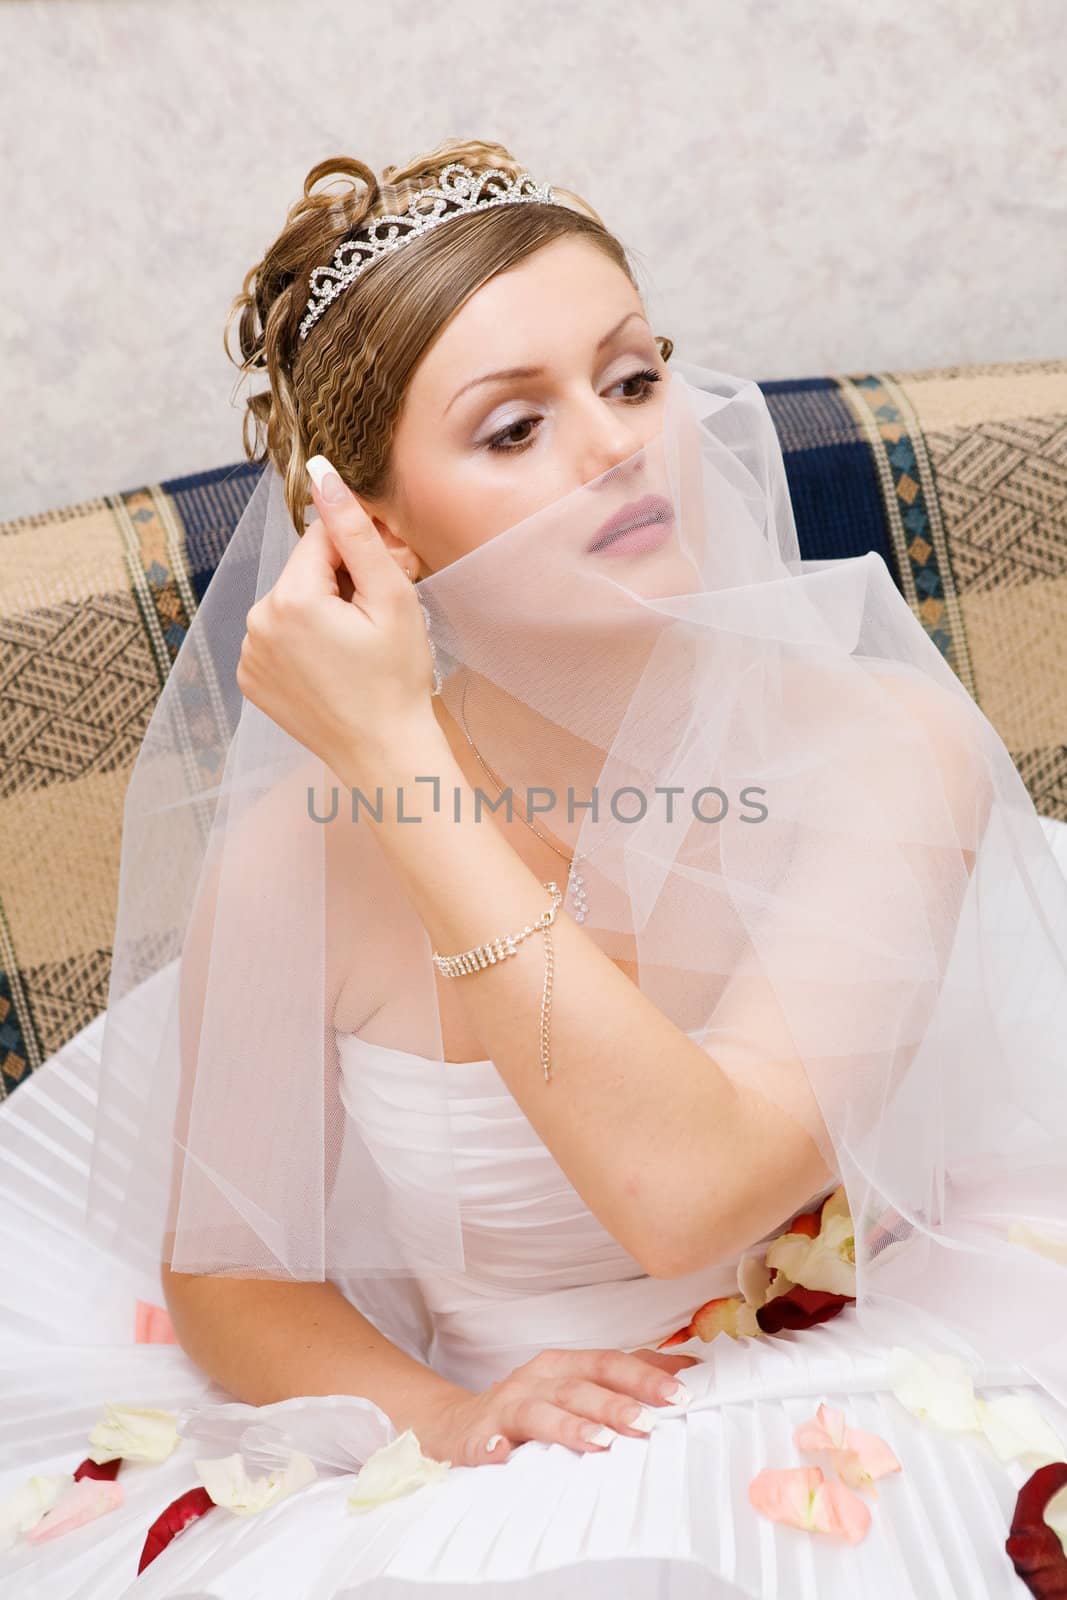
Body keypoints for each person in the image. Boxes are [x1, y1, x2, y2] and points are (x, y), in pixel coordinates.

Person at [3, 137, 1067, 1599]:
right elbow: (236, 1277)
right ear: (372, 528)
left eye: (632, 379)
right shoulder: (286, 863)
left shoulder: (881, 748)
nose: (620, 442)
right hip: (517, 1466)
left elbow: (693, 1195)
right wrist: (450, 1418)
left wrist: (397, 764)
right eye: (514, 428)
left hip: (870, 1370)